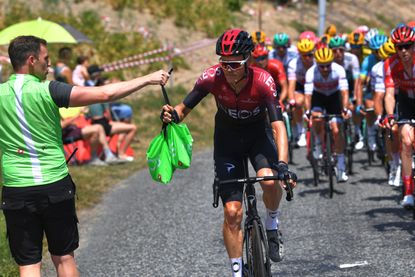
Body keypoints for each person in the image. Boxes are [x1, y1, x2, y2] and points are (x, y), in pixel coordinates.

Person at [0, 35, 169, 277]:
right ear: (31, 60)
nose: (49, 65)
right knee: (63, 257)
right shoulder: (49, 89)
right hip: (54, 184)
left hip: (17, 188)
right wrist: (148, 78)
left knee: (28, 264)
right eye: (46, 59)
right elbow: (104, 94)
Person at [161, 29, 297, 277]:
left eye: (234, 64)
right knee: (232, 212)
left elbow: (278, 126)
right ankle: (236, 271)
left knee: (268, 179)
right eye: (224, 63)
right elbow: (183, 109)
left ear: (248, 60)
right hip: (227, 141)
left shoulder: (263, 81)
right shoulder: (211, 77)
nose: (228, 69)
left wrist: (283, 165)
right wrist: (171, 115)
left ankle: (272, 223)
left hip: (258, 136)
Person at [304, 47, 351, 182]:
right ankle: (318, 144)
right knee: (317, 118)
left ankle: (341, 166)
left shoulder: (338, 70)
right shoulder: (311, 73)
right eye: (322, 66)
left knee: (336, 129)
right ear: (317, 64)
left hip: (334, 97)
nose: (325, 69)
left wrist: (345, 108)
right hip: (318, 97)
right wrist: (308, 111)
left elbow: (344, 93)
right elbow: (308, 96)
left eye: (328, 65)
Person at [383, 25, 415, 208]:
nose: (403, 51)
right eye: (399, 47)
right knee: (406, 141)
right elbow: (389, 93)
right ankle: (409, 192)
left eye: (408, 46)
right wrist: (389, 115)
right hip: (405, 103)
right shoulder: (391, 63)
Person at [287, 38, 316, 147]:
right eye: (304, 55)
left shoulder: (318, 62)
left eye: (310, 55)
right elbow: (291, 85)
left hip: (314, 87)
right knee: (298, 102)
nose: (308, 58)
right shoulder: (293, 64)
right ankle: (301, 131)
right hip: (300, 86)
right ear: (299, 55)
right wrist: (292, 100)